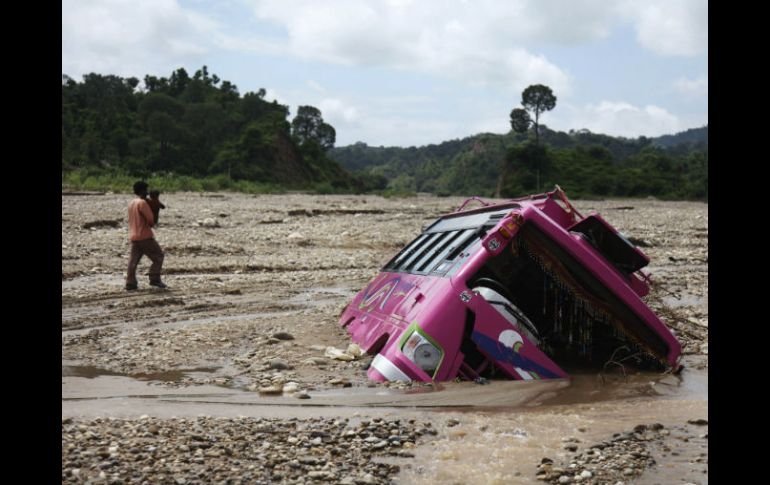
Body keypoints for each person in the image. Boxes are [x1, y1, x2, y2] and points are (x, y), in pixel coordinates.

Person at [125, 181, 167, 290]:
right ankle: (154, 279)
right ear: (143, 190)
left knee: (133, 260)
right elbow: (151, 221)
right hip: (145, 236)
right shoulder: (142, 203)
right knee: (158, 256)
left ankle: (130, 282)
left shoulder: (131, 203)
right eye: (146, 190)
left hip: (134, 236)